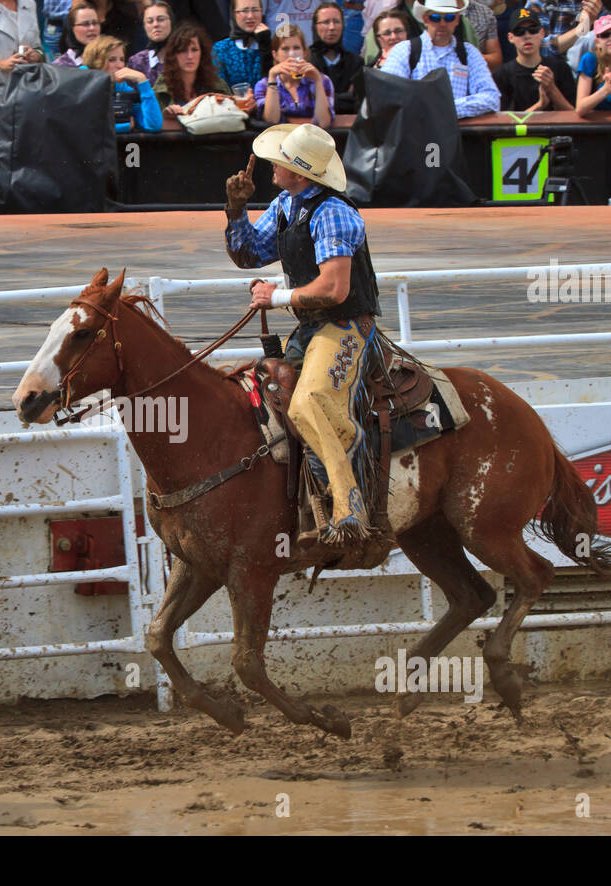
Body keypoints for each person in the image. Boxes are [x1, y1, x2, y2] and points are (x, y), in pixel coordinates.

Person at [224, 123, 383, 546]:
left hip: (345, 326)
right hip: (312, 326)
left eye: (280, 161)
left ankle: (348, 505)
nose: (272, 166)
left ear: (297, 171)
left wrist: (276, 297)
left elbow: (334, 289)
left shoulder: (333, 212)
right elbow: (251, 254)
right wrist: (236, 211)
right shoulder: (286, 204)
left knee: (310, 400)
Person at [381, 0, 501, 117]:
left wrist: (438, 109)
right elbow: (388, 95)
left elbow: (491, 97)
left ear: (457, 20)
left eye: (449, 18)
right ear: (425, 19)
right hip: (416, 134)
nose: (442, 24)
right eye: (435, 17)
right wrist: (450, 109)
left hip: (458, 135)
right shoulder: (404, 51)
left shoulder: (469, 53)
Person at [493, 7, 575, 108]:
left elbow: (574, 114)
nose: (527, 36)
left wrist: (552, 89)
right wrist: (540, 105)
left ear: (542, 33)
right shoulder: (502, 75)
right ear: (510, 37)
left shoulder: (560, 67)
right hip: (521, 124)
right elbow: (504, 122)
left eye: (532, 30)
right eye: (519, 31)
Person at [257, 22, 335, 125]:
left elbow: (323, 123)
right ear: (275, 55)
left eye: (296, 48)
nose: (292, 54)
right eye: (285, 49)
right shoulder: (264, 84)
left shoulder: (323, 80)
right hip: (280, 139)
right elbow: (271, 121)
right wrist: (272, 77)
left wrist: (317, 81)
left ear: (305, 52)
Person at [82, 33, 161, 130]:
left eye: (122, 59)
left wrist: (143, 81)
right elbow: (82, 126)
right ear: (96, 62)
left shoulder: (120, 87)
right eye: (112, 60)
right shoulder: (81, 81)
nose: (120, 65)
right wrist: (124, 127)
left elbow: (153, 125)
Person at [154, 21, 236, 112]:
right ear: (174, 54)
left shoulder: (218, 86)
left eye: (194, 50)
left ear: (202, 53)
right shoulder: (161, 89)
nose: (190, 56)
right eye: (183, 50)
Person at [310, 1, 365, 112]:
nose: (332, 27)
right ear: (315, 26)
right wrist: (345, 97)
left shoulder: (356, 62)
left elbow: (357, 102)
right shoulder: (306, 61)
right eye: (326, 22)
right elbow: (308, 101)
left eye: (336, 22)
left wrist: (323, 97)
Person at [213, 0, 272, 92]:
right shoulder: (221, 49)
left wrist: (266, 47)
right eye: (245, 10)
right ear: (234, 14)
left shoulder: (273, 46)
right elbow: (218, 88)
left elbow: (277, 83)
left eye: (255, 10)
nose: (250, 16)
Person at [128, 0, 171, 83]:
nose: (155, 24)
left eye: (161, 19)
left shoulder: (184, 56)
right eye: (149, 21)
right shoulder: (136, 62)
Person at [51, 1, 100, 67]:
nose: (92, 28)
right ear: (72, 28)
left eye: (95, 23)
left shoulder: (110, 57)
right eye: (85, 24)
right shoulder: (60, 66)